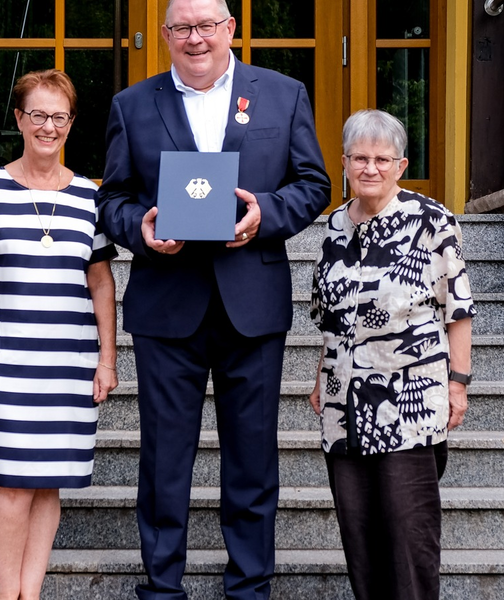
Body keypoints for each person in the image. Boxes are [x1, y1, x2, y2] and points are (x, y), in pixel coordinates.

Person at [96, 0, 331, 597]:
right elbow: (113, 199)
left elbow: (313, 185)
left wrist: (265, 214)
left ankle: (249, 589)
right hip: (166, 304)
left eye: (206, 26)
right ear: (166, 35)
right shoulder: (131, 104)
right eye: (182, 28)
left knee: (253, 464)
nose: (195, 39)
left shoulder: (282, 93)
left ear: (229, 29)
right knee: (164, 464)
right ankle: (161, 589)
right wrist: (140, 231)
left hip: (251, 303)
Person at [0, 69, 118, 600]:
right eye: (38, 115)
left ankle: (32, 590)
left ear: (71, 123)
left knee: (49, 481)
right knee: (11, 482)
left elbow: (100, 280)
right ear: (19, 119)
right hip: (1, 358)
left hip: (68, 361)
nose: (49, 126)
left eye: (59, 117)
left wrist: (107, 358)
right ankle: (6, 594)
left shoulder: (91, 197)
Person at [308, 109, 476, 600]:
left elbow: (458, 310)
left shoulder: (432, 222)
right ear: (344, 163)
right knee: (358, 535)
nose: (371, 168)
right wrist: (321, 377)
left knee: (408, 535)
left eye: (383, 159)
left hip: (410, 402)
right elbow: (330, 316)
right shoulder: (335, 227)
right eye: (360, 158)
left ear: (401, 165)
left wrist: (458, 383)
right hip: (342, 407)